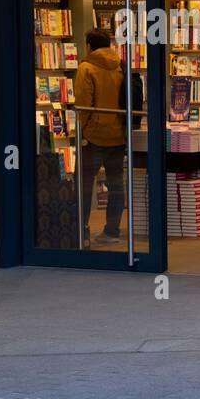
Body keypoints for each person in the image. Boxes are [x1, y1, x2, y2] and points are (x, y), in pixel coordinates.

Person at [73, 28, 126, 246]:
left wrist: (84, 128)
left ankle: (81, 231)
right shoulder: (121, 66)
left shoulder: (86, 67)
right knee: (116, 185)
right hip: (118, 135)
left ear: (89, 45)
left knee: (83, 186)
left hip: (94, 136)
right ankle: (112, 231)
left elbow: (84, 103)